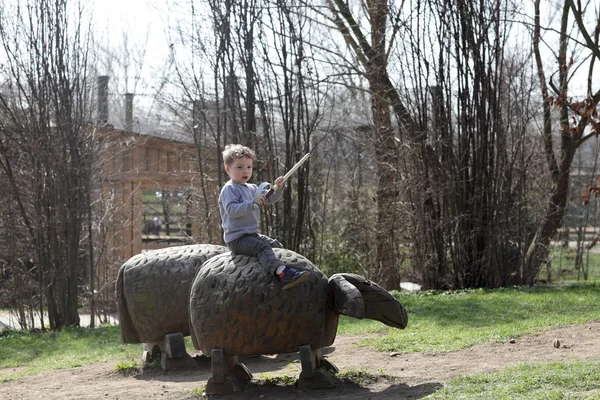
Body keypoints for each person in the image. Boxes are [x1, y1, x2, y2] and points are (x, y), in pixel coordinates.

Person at [219, 144, 309, 290]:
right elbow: (232, 211)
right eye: (240, 167)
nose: (245, 171)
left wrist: (278, 188)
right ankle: (283, 275)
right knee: (262, 248)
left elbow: (269, 199)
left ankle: (286, 271)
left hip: (252, 235)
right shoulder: (229, 189)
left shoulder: (253, 188)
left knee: (276, 245)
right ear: (228, 169)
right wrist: (252, 203)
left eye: (249, 167)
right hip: (237, 239)